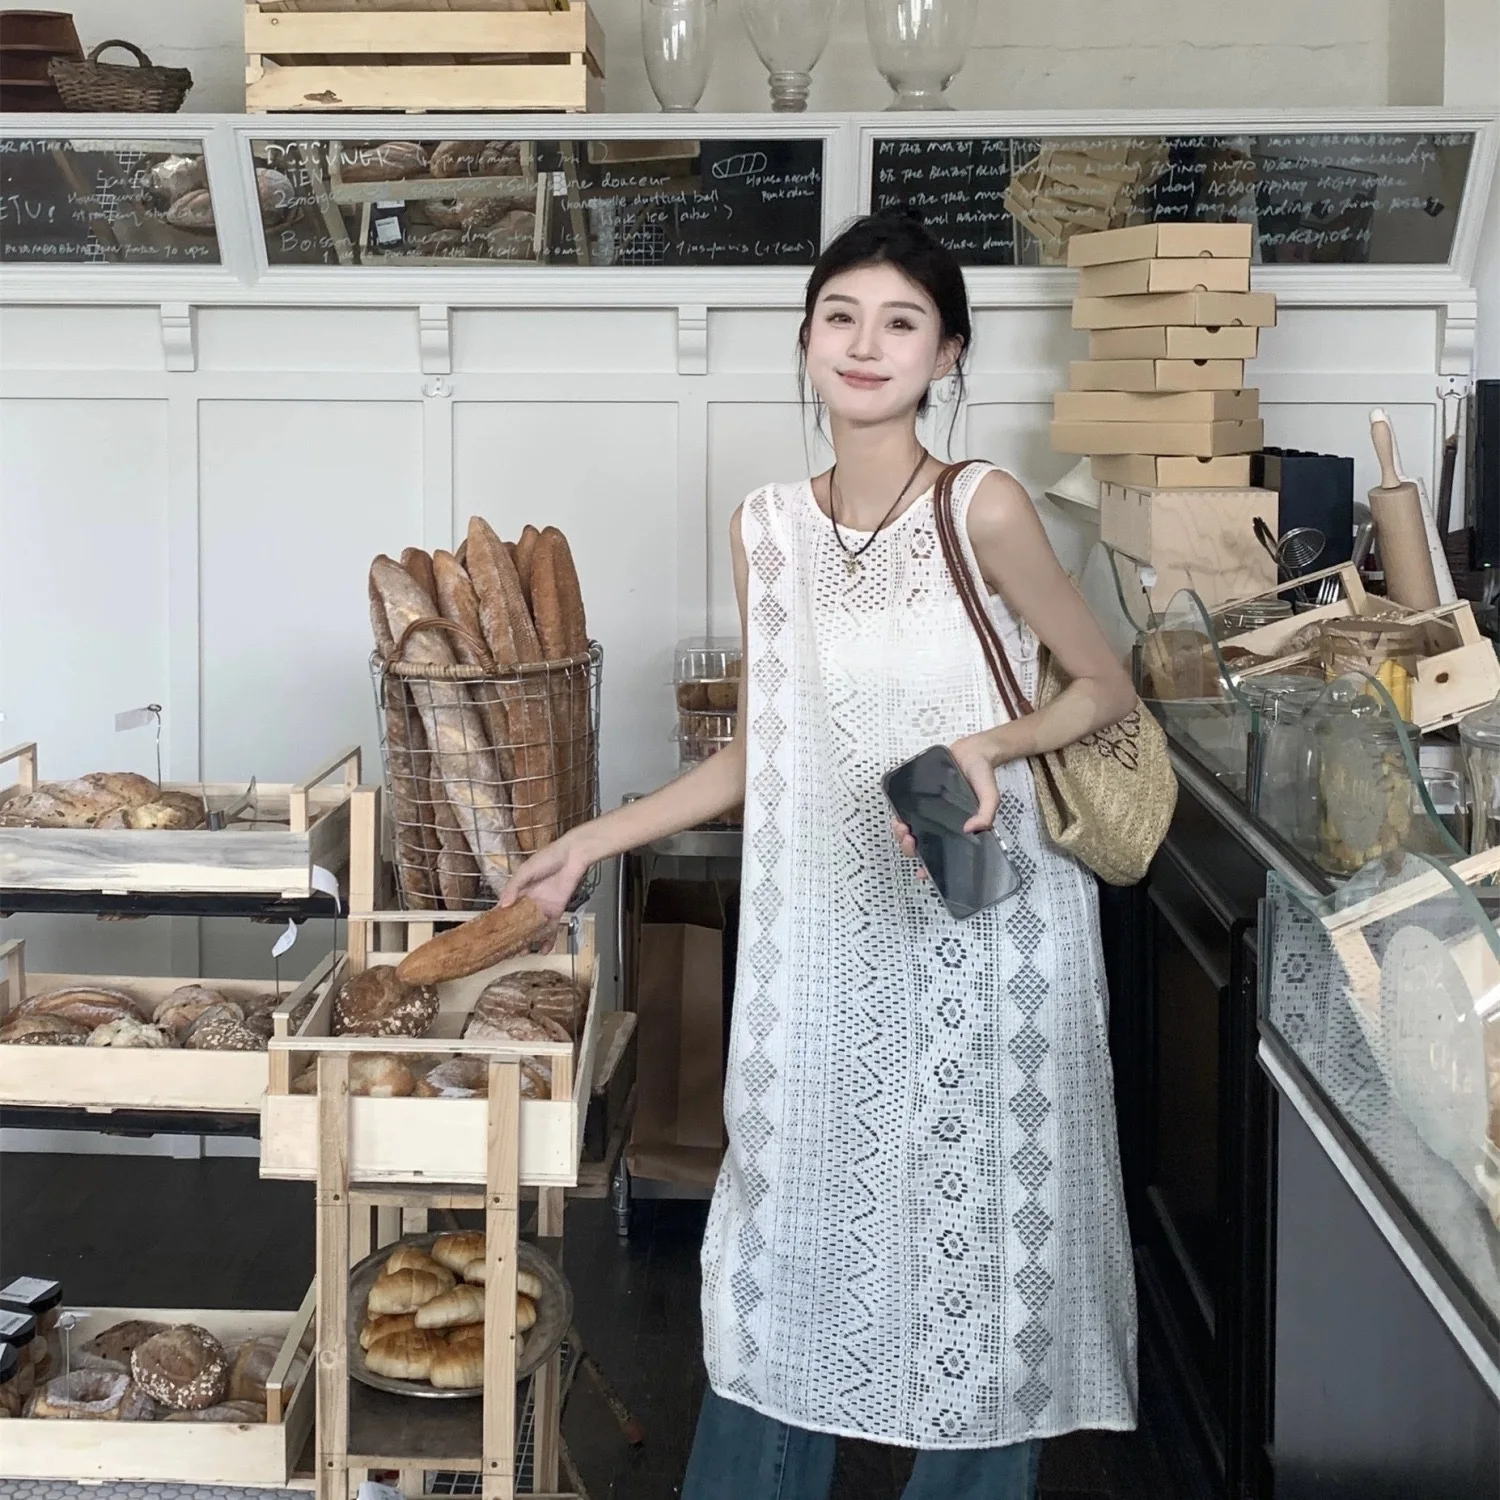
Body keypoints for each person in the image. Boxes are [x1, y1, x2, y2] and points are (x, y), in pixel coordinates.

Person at [501, 210, 1140, 1500]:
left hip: (982, 939)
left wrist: (989, 744)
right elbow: (764, 751)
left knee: (975, 1242)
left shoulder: (984, 508)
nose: (866, 343)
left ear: (945, 354)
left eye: (901, 321)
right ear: (804, 340)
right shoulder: (767, 529)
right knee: (786, 1238)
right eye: (841, 315)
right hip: (825, 947)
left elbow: (1106, 688)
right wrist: (590, 839)